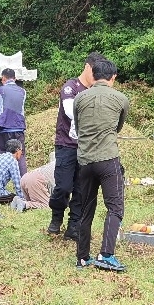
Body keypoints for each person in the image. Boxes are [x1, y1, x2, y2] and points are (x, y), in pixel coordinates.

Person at [73, 59, 129, 272]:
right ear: (113, 77)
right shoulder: (121, 99)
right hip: (108, 160)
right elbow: (118, 127)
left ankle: (82, 257)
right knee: (115, 207)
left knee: (85, 208)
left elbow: (78, 129)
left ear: (93, 75)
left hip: (85, 161)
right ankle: (106, 254)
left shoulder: (79, 98)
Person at [48, 52, 106, 240]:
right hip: (67, 144)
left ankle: (73, 227)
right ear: (88, 67)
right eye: (95, 72)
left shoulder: (95, 91)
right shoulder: (70, 87)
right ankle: (56, 217)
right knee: (63, 187)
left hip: (87, 148)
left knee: (83, 189)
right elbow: (70, 111)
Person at [0, 68, 28, 175]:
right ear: (15, 79)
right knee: (20, 156)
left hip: (2, 129)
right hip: (18, 128)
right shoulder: (23, 92)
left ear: (3, 78)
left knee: (0, 155)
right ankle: (24, 184)